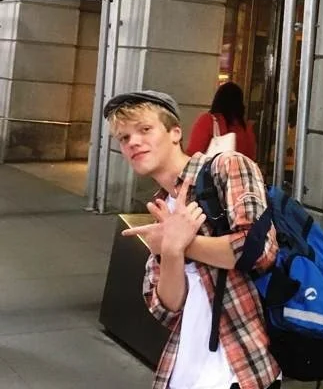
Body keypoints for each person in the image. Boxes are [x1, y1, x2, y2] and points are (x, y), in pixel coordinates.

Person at [104, 89, 281, 389]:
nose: (133, 142)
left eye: (145, 129)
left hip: (239, 368)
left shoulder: (227, 167)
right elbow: (166, 307)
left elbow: (259, 250)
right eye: (124, 138)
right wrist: (171, 251)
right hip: (183, 370)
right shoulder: (162, 206)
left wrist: (182, 243)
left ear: (175, 132)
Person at [187, 82, 257, 161]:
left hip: (212, 168)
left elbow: (193, 153)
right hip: (238, 168)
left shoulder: (208, 121)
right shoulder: (246, 128)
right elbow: (250, 157)